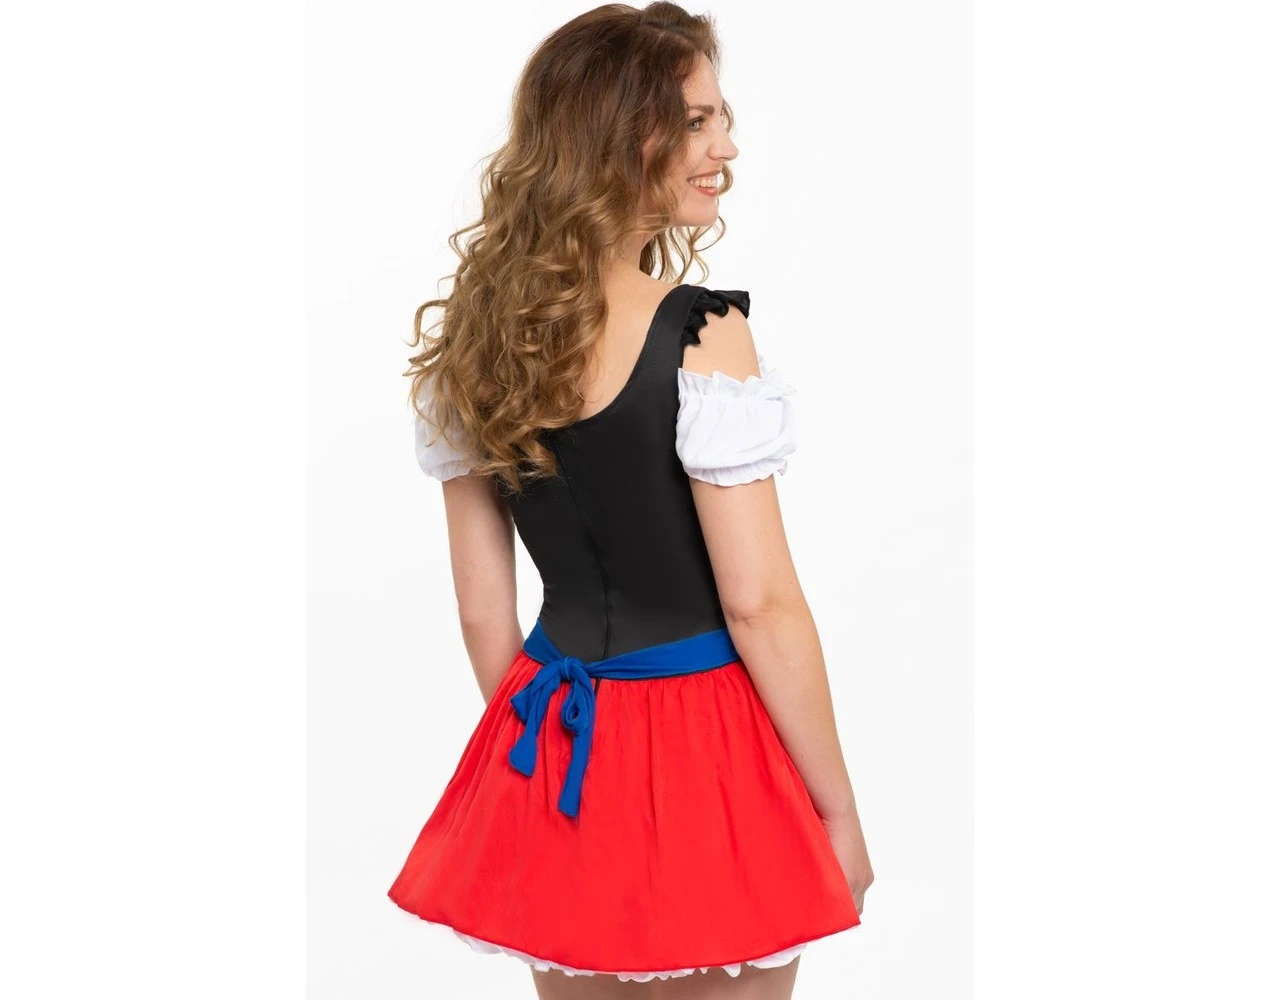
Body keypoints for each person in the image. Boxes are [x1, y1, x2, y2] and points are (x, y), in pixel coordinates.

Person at [388, 4, 873, 997]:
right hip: (709, 749)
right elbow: (759, 604)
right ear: (616, 137)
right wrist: (836, 809)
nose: (725, 147)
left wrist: (557, 772)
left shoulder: (478, 339)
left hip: (552, 736)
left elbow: (483, 611)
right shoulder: (702, 332)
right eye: (695, 122)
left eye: (721, 118)